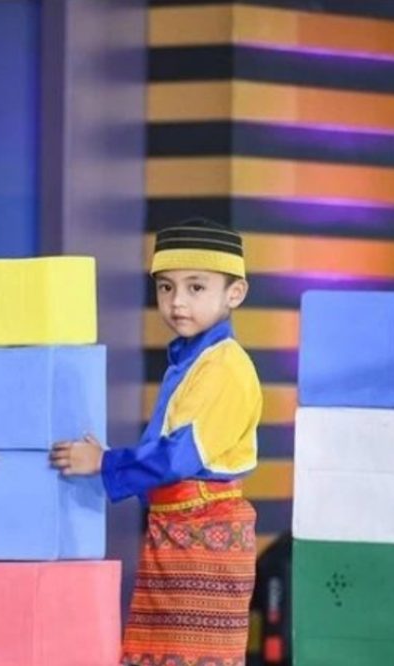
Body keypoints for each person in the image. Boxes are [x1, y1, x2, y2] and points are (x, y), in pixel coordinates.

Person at [51, 219, 262, 665]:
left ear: (235, 293)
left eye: (195, 287)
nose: (177, 301)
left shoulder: (226, 366)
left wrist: (105, 462)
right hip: (177, 529)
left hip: (204, 533)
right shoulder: (193, 359)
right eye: (166, 287)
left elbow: (178, 457)